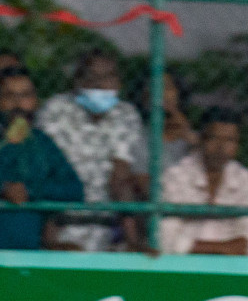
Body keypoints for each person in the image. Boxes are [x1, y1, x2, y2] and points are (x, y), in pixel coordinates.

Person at [35, 49, 146, 251]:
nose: (100, 84)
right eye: (91, 77)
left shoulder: (126, 115)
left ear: (119, 83)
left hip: (105, 224)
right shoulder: (56, 110)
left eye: (108, 78)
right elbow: (51, 171)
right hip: (59, 222)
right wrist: (50, 238)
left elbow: (120, 177)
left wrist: (132, 240)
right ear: (77, 82)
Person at [159, 108, 248, 256]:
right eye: (214, 138)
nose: (221, 147)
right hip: (184, 266)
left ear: (238, 145)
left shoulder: (245, 179)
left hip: (230, 267)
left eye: (230, 140)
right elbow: (166, 239)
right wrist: (224, 248)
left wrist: (195, 246)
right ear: (201, 139)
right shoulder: (176, 176)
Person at [0, 67, 83, 250]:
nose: (18, 103)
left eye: (25, 95)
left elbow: (74, 190)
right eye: (9, 96)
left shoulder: (42, 144)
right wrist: (4, 188)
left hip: (30, 253)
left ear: (35, 101)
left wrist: (31, 190)